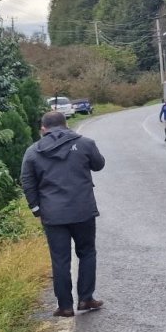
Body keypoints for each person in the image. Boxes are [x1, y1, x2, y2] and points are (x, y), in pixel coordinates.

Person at [21, 111, 106, 317]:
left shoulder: (33, 152)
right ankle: (86, 299)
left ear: (43, 129)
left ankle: (65, 306)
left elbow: (27, 181)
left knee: (60, 259)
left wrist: (36, 210)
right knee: (87, 253)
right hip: (83, 210)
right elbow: (99, 164)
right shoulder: (85, 143)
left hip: (52, 214)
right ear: (66, 124)